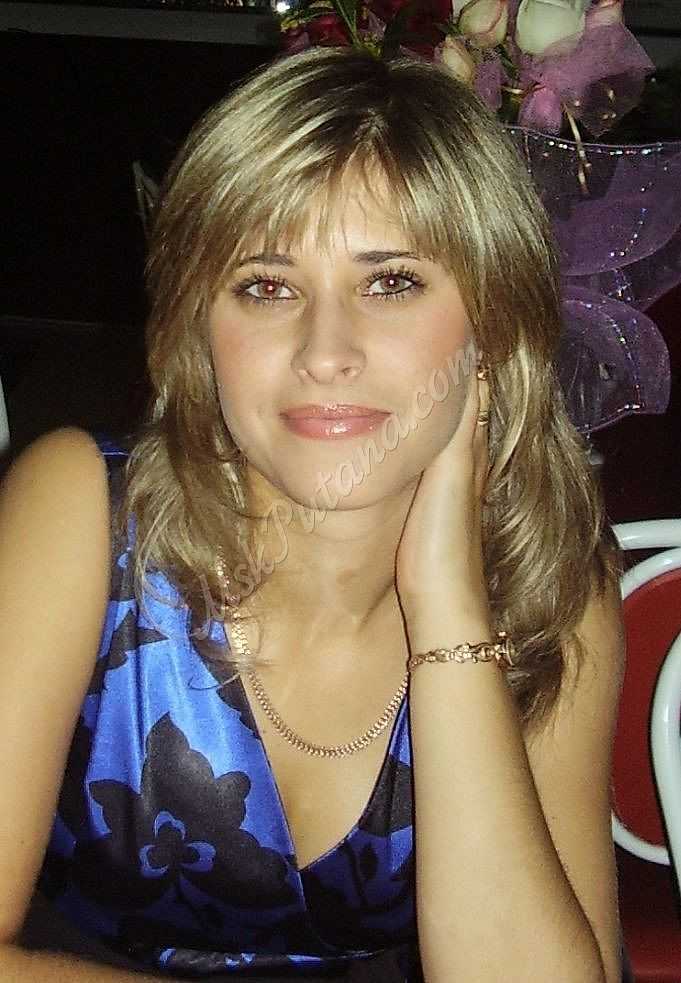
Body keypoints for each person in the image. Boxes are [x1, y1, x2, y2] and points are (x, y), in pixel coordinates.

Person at [0, 46, 625, 982]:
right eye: (266, 286)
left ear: (492, 327)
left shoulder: (550, 580)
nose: (325, 351)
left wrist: (448, 607)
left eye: (390, 281)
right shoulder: (83, 510)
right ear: (199, 327)